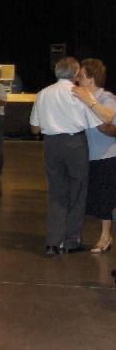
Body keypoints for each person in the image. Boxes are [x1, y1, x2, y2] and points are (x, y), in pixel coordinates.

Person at [30, 57, 102, 257]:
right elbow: (95, 122)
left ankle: (53, 243)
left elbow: (35, 128)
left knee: (56, 193)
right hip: (75, 144)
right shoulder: (80, 93)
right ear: (76, 73)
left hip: (51, 145)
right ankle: (71, 241)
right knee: (78, 192)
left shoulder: (43, 93)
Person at [75, 59, 116, 253]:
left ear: (91, 79)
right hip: (86, 155)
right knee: (92, 197)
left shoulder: (106, 98)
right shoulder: (79, 97)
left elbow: (110, 124)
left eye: (81, 76)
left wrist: (90, 104)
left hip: (106, 155)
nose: (78, 79)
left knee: (105, 198)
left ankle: (105, 237)